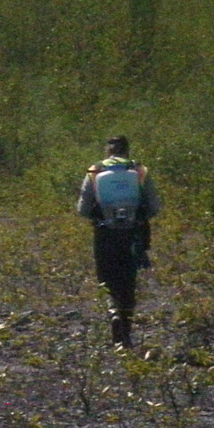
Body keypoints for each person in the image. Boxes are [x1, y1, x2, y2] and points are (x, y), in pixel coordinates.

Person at [77, 136, 159, 348]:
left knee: (107, 278)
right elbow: (154, 207)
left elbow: (83, 209)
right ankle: (126, 333)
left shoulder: (95, 171)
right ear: (127, 150)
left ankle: (113, 312)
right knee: (128, 281)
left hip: (105, 234)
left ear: (107, 151)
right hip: (133, 234)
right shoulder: (139, 170)